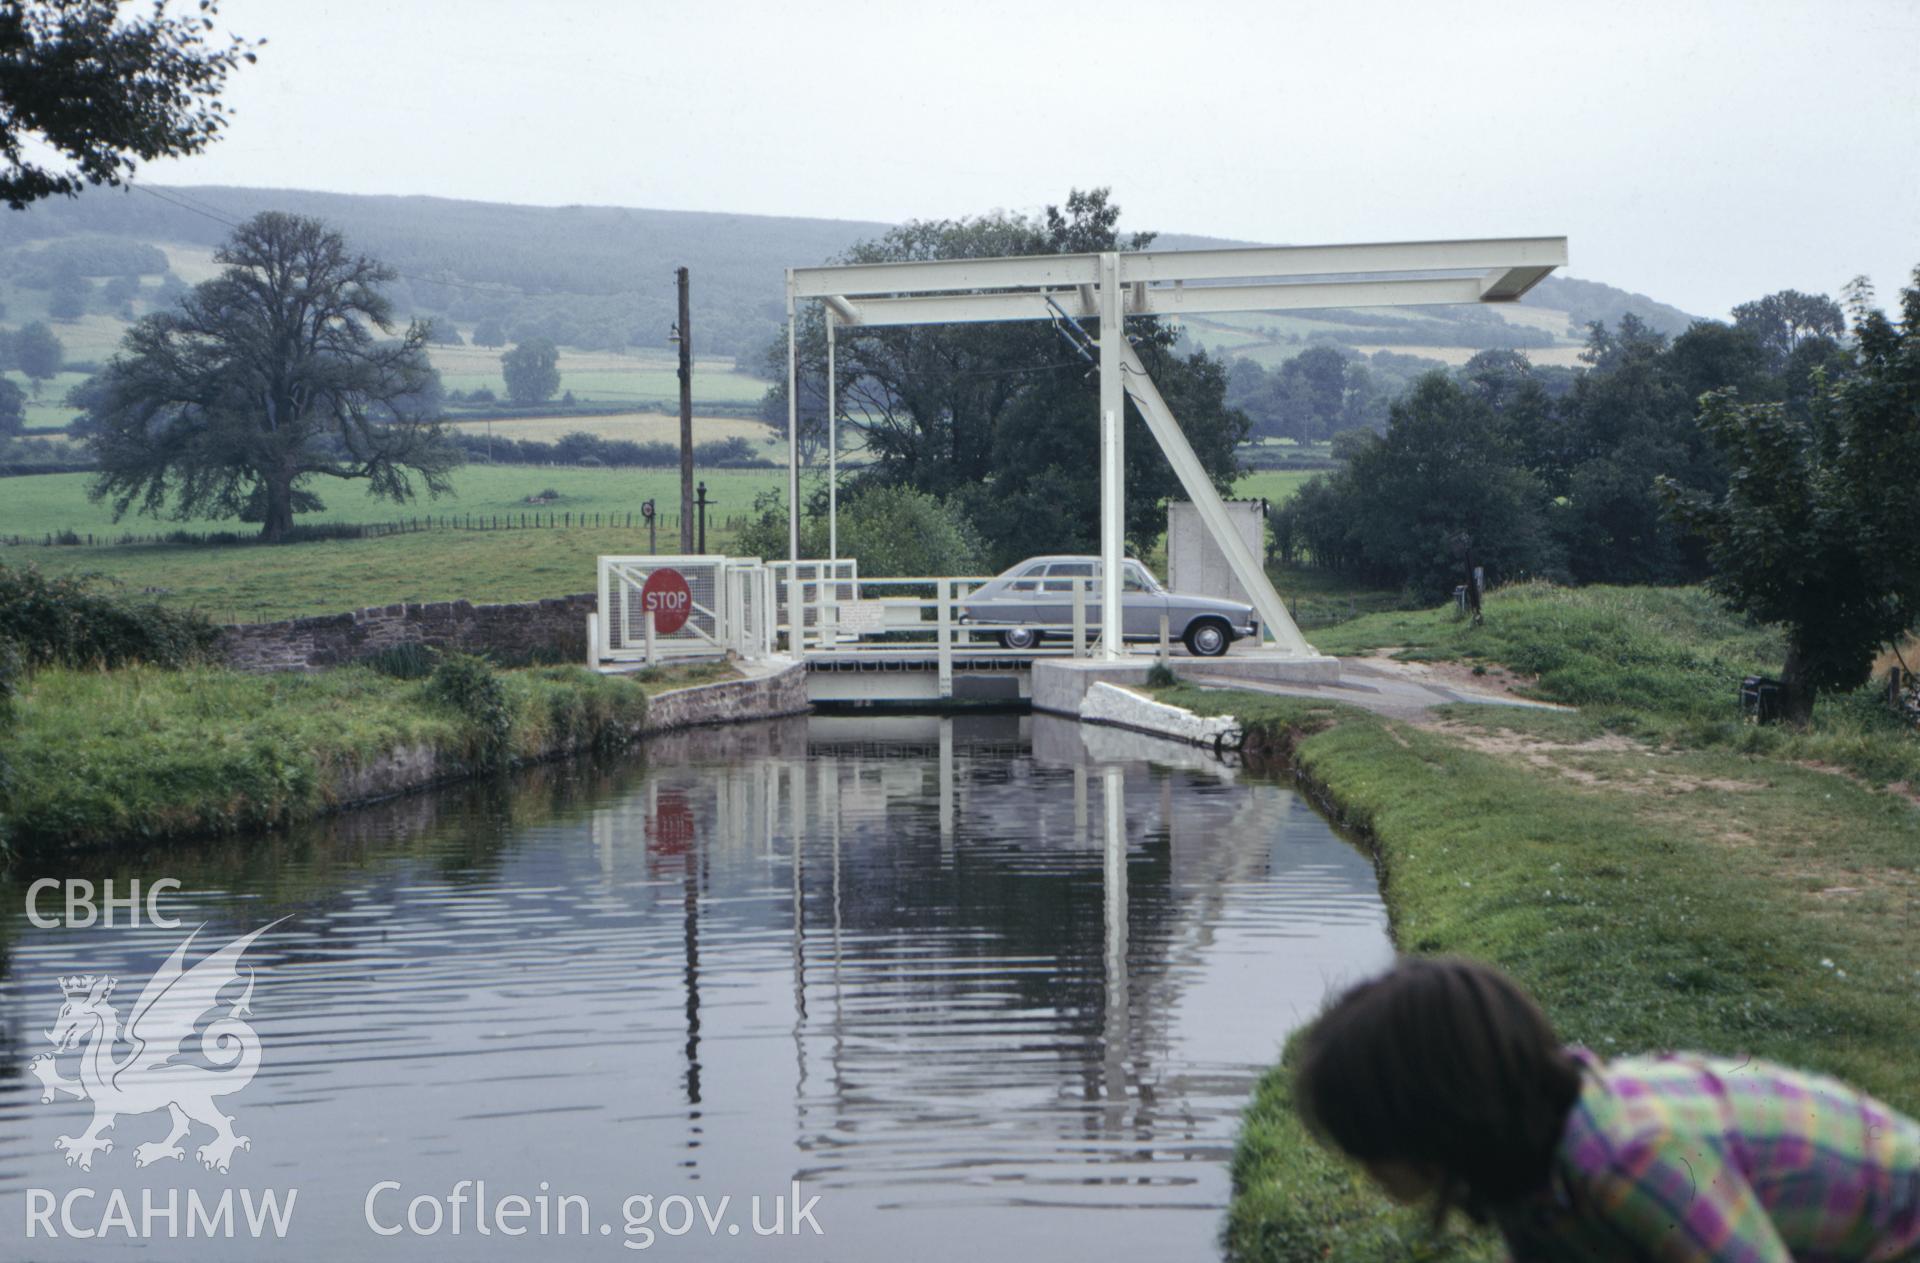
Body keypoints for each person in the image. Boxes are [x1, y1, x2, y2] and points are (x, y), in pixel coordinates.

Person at [1292, 956, 1920, 1261]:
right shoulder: (1521, 1176)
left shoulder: (1629, 1158)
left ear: (1441, 1119)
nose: (1360, 1159)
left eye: (1368, 1140)